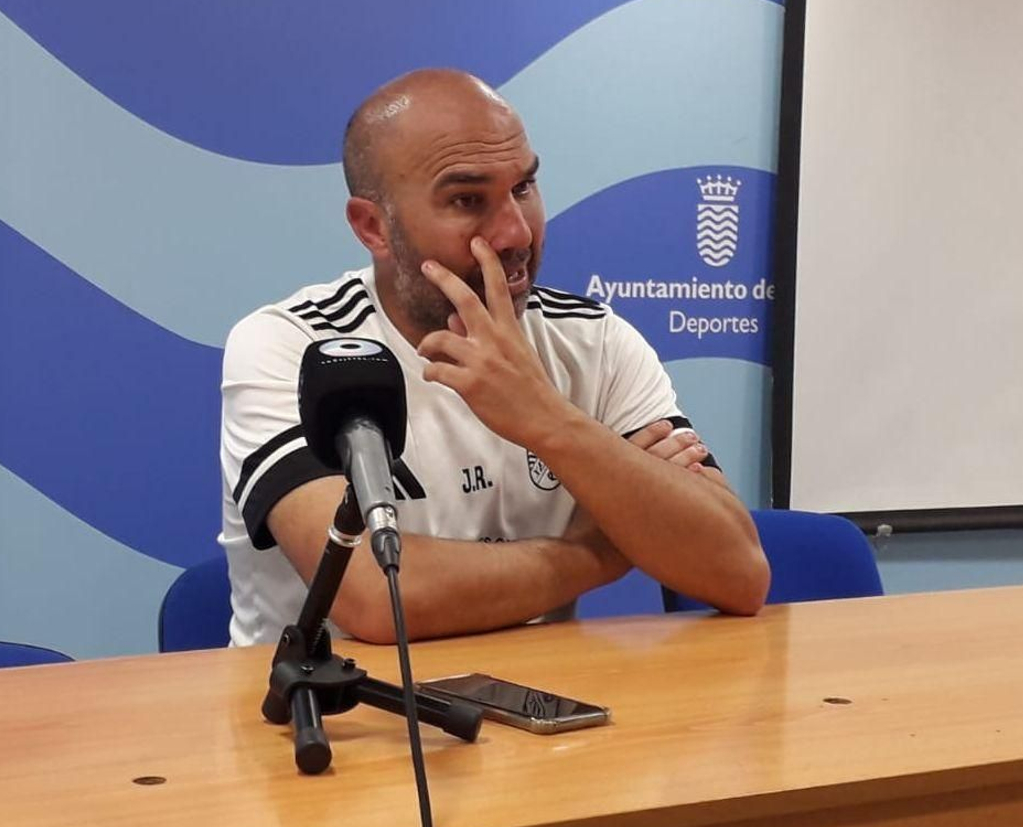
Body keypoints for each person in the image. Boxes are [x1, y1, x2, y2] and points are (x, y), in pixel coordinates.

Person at [218, 69, 768, 646]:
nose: (515, 233)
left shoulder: (595, 341)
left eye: (524, 189)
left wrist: (549, 421)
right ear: (373, 227)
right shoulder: (293, 347)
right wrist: (598, 550)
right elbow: (376, 599)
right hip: (332, 722)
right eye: (467, 200)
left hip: (542, 715)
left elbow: (738, 572)